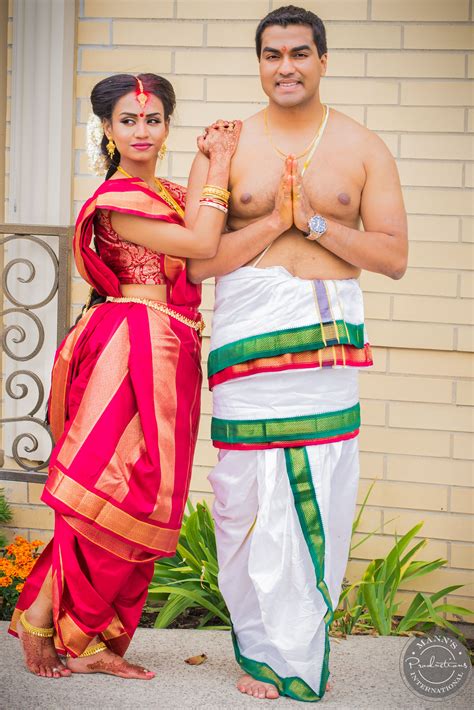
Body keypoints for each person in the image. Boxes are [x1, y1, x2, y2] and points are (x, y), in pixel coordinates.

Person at [186, 5, 407, 703]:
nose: (286, 66)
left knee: (319, 497)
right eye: (273, 54)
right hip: (247, 349)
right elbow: (199, 264)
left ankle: (300, 652)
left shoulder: (363, 147)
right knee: (247, 498)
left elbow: (394, 257)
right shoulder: (224, 146)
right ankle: (260, 651)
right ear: (259, 62)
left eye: (300, 53)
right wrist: (277, 222)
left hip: (324, 358)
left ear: (322, 60)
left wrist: (314, 221)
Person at [9, 72, 241, 680]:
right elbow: (199, 238)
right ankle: (53, 626)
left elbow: (205, 253)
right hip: (129, 345)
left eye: (154, 118)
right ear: (107, 130)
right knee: (108, 487)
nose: (142, 130)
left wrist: (281, 223)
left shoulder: (161, 189)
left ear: (167, 126)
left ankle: (76, 630)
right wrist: (218, 164)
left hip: (173, 345)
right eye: (129, 120)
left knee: (143, 490)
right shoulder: (117, 200)